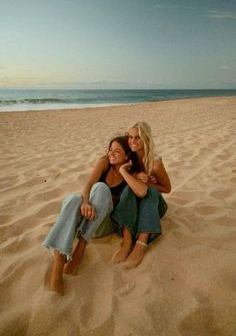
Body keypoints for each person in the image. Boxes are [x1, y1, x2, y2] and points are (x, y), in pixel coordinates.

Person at [43, 135, 147, 295]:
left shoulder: (130, 173)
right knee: (74, 198)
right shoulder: (104, 162)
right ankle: (58, 263)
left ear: (127, 155)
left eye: (117, 151)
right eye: (110, 150)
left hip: (102, 225)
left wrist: (125, 172)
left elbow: (140, 194)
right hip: (86, 217)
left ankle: (79, 250)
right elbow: (88, 184)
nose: (111, 154)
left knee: (101, 188)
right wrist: (85, 202)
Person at [111, 121, 171, 268]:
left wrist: (148, 183)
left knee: (149, 190)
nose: (133, 141)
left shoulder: (155, 162)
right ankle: (127, 242)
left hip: (154, 207)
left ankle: (142, 243)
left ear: (146, 139)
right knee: (129, 188)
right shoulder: (128, 158)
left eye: (137, 137)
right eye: (130, 137)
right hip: (135, 208)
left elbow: (167, 188)